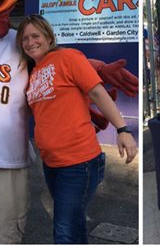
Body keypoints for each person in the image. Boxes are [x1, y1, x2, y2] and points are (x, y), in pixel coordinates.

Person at [17, 14, 138, 244]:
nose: (30, 42)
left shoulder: (68, 57)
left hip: (78, 163)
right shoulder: (33, 73)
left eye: (35, 36)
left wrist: (122, 129)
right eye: (25, 39)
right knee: (74, 224)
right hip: (51, 163)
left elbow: (97, 92)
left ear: (49, 37)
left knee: (64, 230)